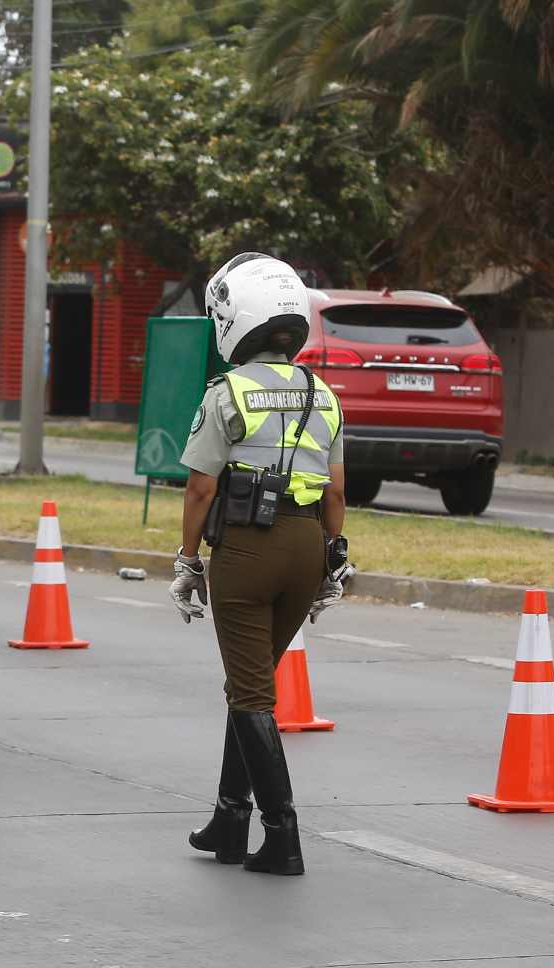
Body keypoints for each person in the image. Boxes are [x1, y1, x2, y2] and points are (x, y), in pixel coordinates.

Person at [168, 252, 353, 877]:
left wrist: (188, 559)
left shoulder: (229, 392)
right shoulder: (323, 395)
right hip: (307, 549)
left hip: (247, 550)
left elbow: (199, 488)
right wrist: (333, 560)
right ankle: (229, 819)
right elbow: (334, 492)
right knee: (249, 686)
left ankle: (283, 837)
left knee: (250, 694)